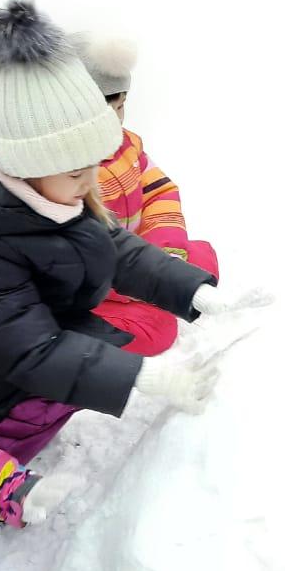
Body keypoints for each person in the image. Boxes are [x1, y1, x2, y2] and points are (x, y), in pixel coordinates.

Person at [0, 0, 250, 525]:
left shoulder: (46, 189)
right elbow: (28, 349)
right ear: (27, 162)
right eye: (78, 171)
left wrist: (190, 291)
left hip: (18, 350)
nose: (90, 184)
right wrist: (139, 378)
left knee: (97, 357)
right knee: (50, 395)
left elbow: (114, 245)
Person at [78, 33, 220, 354]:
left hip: (139, 256)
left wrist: (165, 250)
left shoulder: (128, 147)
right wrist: (142, 284)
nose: (115, 120)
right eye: (103, 112)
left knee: (202, 258)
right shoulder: (67, 175)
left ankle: (157, 293)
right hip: (98, 288)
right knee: (157, 331)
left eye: (121, 106)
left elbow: (159, 192)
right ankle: (84, 338)